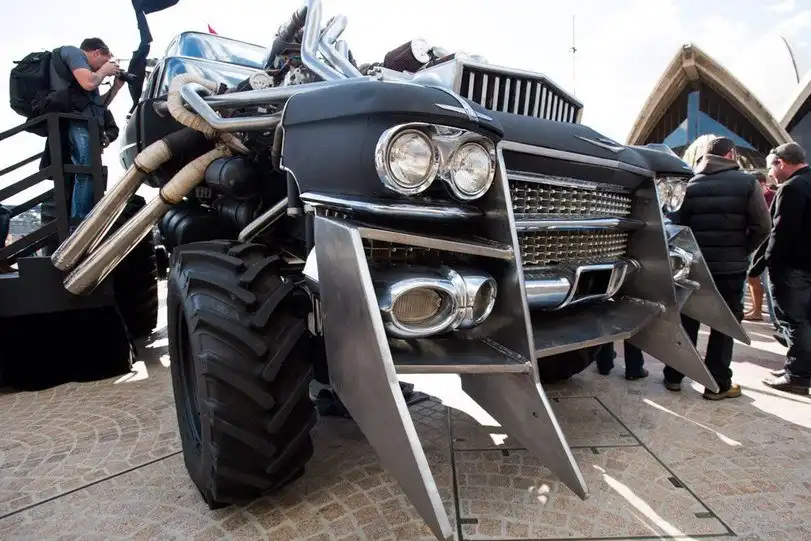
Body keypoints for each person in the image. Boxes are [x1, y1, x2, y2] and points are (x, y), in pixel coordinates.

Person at [665, 136, 771, 400]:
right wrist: (743, 250)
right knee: (724, 325)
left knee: (687, 320)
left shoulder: (690, 184)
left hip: (695, 266)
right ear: (731, 154)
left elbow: (676, 226)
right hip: (730, 269)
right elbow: (763, 227)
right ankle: (717, 383)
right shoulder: (747, 183)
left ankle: (674, 376)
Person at [47, 38, 125, 220]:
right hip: (76, 121)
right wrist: (105, 71)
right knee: (86, 170)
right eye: (105, 61)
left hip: (85, 122)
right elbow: (89, 83)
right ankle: (80, 220)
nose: (105, 67)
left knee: (88, 172)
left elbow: (98, 106)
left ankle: (82, 218)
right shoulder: (73, 52)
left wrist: (116, 88)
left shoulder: (91, 75)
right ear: (97, 53)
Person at [761, 142, 811, 396]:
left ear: (781, 162)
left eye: (771, 168)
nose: (771, 174)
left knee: (794, 322)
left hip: (793, 267)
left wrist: (769, 262)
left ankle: (797, 376)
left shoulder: (792, 187)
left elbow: (781, 232)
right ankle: (799, 369)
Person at [744, 171, 776, 323]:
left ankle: (773, 317)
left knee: (766, 280)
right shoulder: (751, 197)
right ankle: (756, 310)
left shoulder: (773, 196)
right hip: (753, 241)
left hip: (766, 243)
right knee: (752, 277)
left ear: (762, 184)